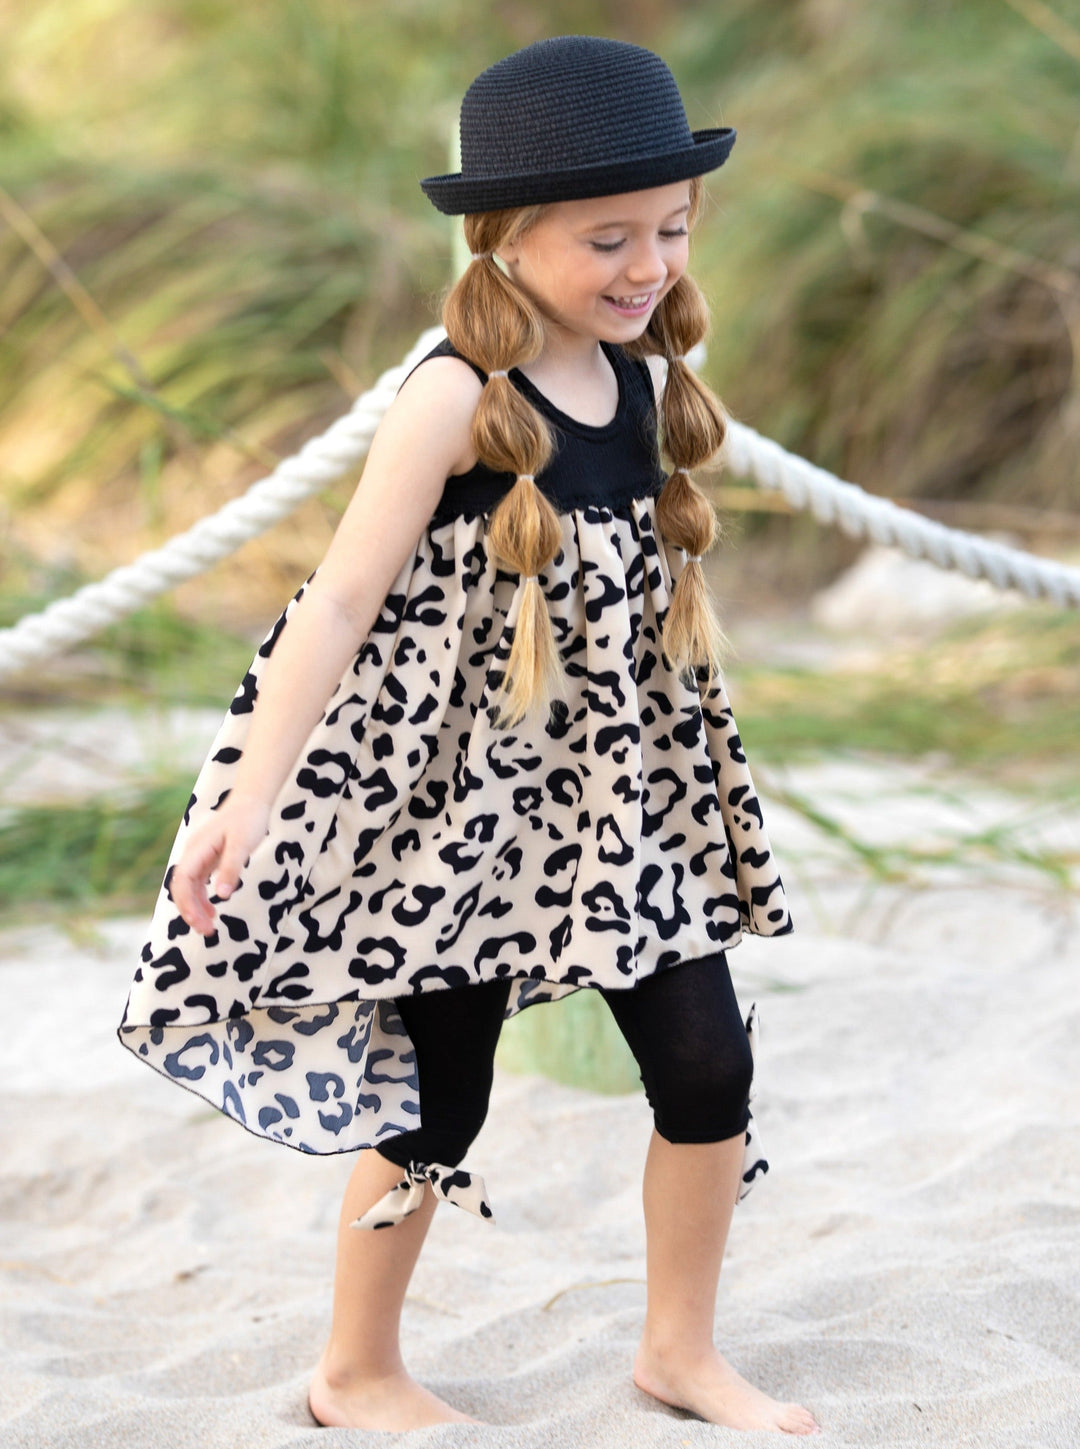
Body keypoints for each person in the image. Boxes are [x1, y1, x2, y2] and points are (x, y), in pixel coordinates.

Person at [118, 35, 819, 1437]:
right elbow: (336, 604)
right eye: (608, 240)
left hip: (619, 804)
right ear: (504, 235)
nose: (648, 267)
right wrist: (245, 794)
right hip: (457, 811)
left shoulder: (642, 376)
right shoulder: (452, 398)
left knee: (708, 1063)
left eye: (672, 231)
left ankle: (678, 1349)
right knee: (439, 1096)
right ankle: (354, 1369)